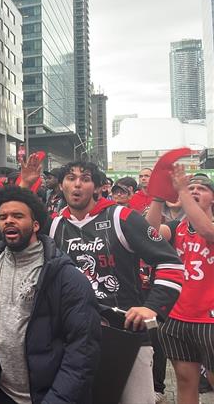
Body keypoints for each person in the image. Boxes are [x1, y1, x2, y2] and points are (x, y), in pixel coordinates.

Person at [20, 158, 183, 404]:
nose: (77, 185)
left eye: (85, 179)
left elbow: (171, 263)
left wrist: (151, 308)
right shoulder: (54, 225)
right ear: (61, 186)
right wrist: (25, 185)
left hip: (126, 336)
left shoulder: (122, 217)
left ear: (98, 187)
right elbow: (16, 227)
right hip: (73, 339)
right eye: (70, 178)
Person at [0, 186, 101, 404]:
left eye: (18, 216)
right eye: (3, 217)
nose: (9, 221)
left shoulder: (66, 278)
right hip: (2, 393)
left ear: (36, 225)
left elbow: (82, 351)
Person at [149, 167, 214, 404]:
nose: (194, 191)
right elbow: (150, 234)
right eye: (191, 187)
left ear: (213, 198)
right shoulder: (177, 227)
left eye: (201, 188)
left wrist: (183, 191)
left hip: (209, 320)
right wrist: (158, 197)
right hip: (177, 318)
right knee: (186, 383)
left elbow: (207, 231)